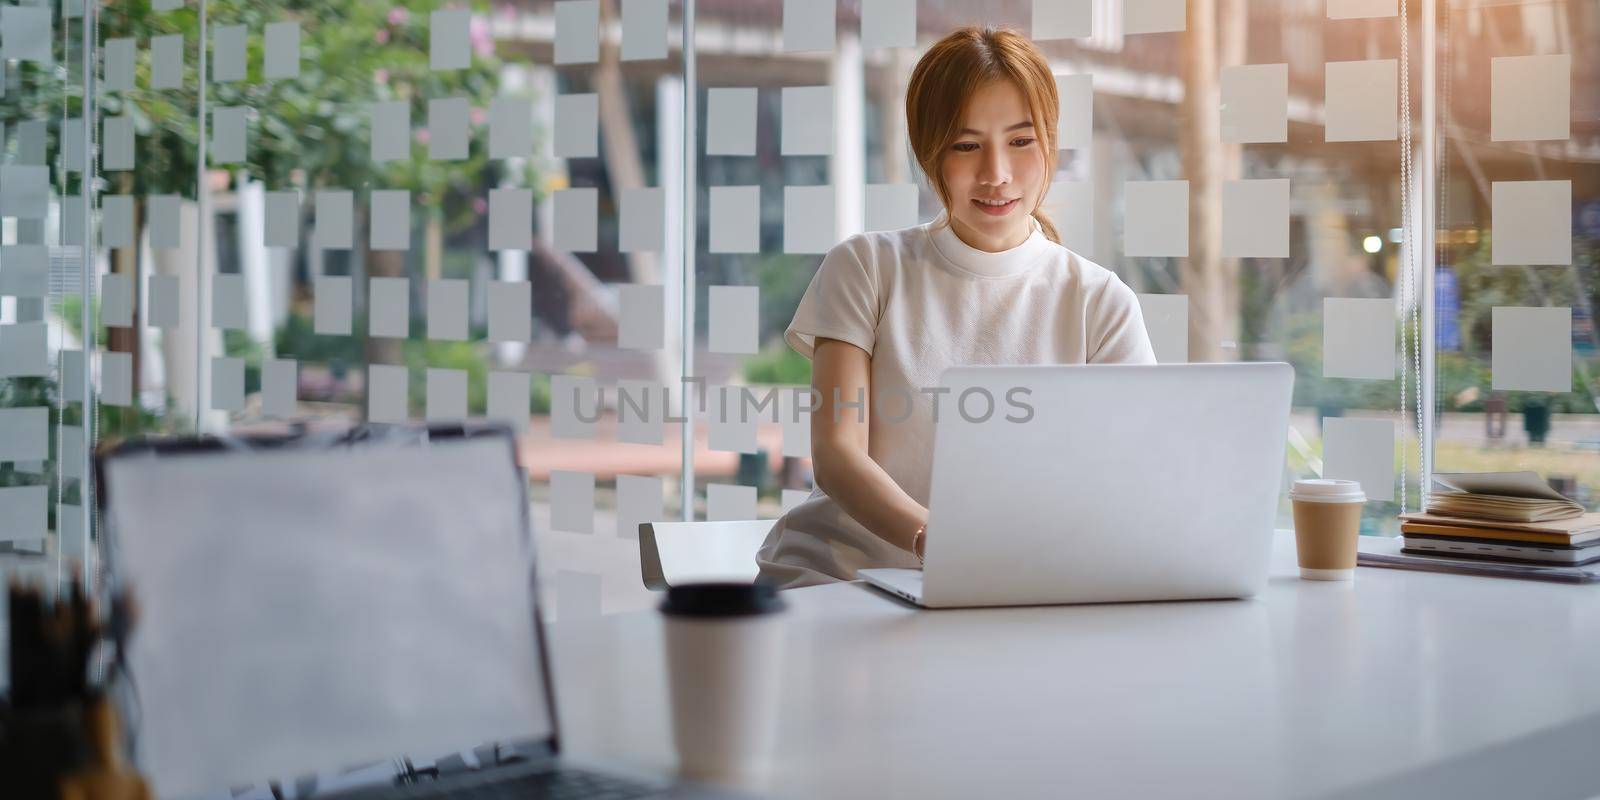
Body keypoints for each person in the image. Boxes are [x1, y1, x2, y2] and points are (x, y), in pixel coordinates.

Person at [754, 26, 1158, 589]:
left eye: (1021, 141)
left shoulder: (1100, 301)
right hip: (839, 581)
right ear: (929, 153)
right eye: (966, 145)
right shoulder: (867, 267)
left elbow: (1129, 475)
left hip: (1004, 590)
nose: (996, 173)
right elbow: (838, 454)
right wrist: (937, 541)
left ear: (1052, 142)